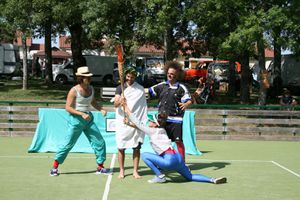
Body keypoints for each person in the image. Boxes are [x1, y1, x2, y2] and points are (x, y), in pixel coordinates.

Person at [122, 100, 227, 184]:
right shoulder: (162, 130)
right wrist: (129, 124)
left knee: (144, 155)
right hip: (178, 159)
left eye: (151, 121)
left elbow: (138, 123)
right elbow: (140, 127)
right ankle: (212, 180)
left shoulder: (152, 131)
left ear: (155, 124)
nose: (149, 122)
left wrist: (126, 107)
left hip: (169, 160)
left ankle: (160, 176)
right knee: (190, 177)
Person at [50, 66, 110, 176]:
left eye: (89, 77)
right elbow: (68, 108)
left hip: (88, 120)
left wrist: (101, 109)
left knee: (99, 142)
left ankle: (100, 167)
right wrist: (81, 114)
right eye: (87, 77)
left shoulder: (91, 88)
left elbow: (93, 103)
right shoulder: (74, 91)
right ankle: (54, 167)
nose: (89, 79)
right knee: (68, 144)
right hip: (76, 120)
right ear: (81, 78)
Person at [149, 61, 193, 161]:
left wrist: (186, 104)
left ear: (177, 75)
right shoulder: (162, 85)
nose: (170, 75)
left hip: (176, 120)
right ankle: (162, 162)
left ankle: (182, 164)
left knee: (178, 142)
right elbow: (149, 91)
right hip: (162, 120)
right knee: (160, 142)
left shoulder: (181, 87)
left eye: (172, 74)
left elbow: (189, 100)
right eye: (168, 73)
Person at [114, 67, 148, 179]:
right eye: (128, 76)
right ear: (125, 76)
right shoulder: (120, 88)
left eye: (132, 77)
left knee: (136, 147)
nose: (130, 78)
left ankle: (135, 171)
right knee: (121, 147)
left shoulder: (140, 89)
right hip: (122, 121)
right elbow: (115, 104)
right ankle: (121, 171)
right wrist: (120, 101)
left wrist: (139, 121)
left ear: (135, 77)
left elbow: (142, 106)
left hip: (135, 121)